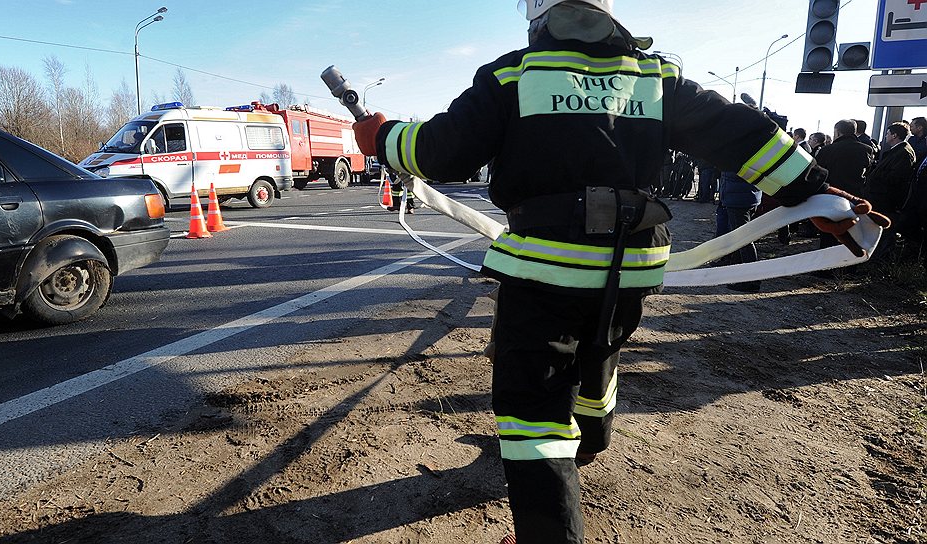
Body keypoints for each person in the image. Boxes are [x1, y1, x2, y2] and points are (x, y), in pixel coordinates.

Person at [352, 2, 887, 542]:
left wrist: (384, 136)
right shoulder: (655, 75)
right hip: (633, 263)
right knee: (601, 341)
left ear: (538, 15)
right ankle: (593, 437)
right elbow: (743, 133)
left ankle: (551, 525)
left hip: (545, 263)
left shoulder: (513, 74)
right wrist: (812, 191)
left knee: (531, 413)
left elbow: (442, 151)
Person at [814, 120, 875, 249]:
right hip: (855, 198)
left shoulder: (827, 150)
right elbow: (867, 172)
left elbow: (818, 173)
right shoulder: (866, 150)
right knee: (853, 234)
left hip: (831, 199)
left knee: (829, 235)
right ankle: (850, 265)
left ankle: (827, 266)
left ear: (837, 132)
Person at [865, 122, 917, 259]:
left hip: (887, 201)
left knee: (886, 231)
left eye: (888, 133)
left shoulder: (903, 152)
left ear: (894, 135)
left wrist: (876, 180)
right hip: (883, 199)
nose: (886, 136)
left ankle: (880, 260)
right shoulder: (898, 151)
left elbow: (897, 179)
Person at [715, 171, 762, 292]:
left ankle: (752, 281)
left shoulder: (738, 158)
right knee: (739, 239)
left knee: (743, 240)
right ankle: (738, 274)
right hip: (744, 197)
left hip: (739, 199)